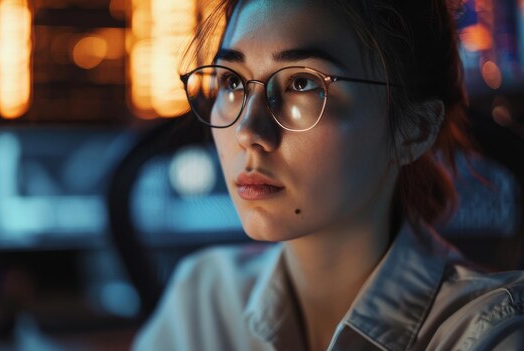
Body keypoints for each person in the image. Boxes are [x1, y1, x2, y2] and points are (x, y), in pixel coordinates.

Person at [131, 0, 524, 350]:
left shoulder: (487, 333)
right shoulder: (205, 299)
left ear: (416, 129)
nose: (248, 132)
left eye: (303, 84)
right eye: (232, 81)